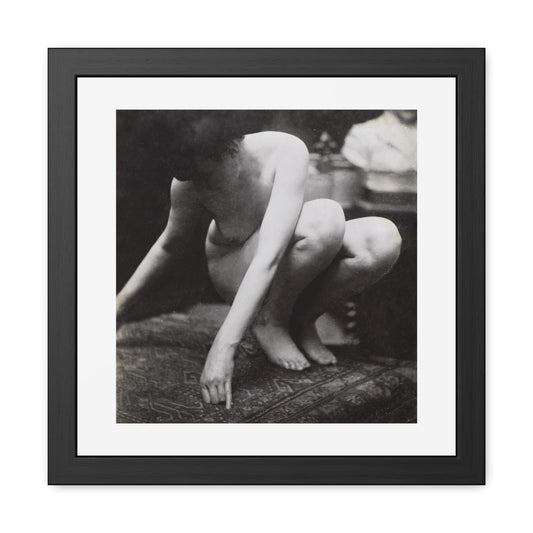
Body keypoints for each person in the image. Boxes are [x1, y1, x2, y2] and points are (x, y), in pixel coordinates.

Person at [116, 130, 402, 409]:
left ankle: (300, 319)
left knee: (381, 240)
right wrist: (118, 308)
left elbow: (271, 254)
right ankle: (269, 320)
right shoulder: (189, 185)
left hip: (282, 264)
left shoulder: (285, 150)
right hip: (234, 267)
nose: (203, 184)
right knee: (324, 219)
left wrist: (222, 348)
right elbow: (168, 247)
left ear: (232, 149)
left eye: (208, 175)